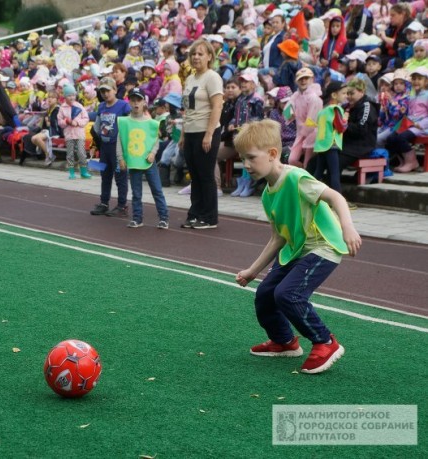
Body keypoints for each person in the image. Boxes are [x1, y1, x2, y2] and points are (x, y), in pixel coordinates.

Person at [233, 119, 362, 375]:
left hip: (322, 246)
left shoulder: (296, 178)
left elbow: (335, 196)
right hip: (296, 249)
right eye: (242, 159)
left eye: (250, 158)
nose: (246, 165)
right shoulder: (269, 193)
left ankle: (326, 342)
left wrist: (348, 227)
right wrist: (252, 271)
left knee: (288, 294)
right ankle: (284, 341)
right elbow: (277, 238)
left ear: (272, 154)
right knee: (265, 295)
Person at [179, 39, 223, 230]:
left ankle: (209, 217)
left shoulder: (212, 77)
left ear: (209, 57)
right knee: (194, 176)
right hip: (190, 131)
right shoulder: (190, 78)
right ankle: (195, 213)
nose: (196, 57)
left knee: (206, 176)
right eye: (193, 54)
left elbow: (217, 106)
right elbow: (187, 110)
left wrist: (209, 134)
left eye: (200, 54)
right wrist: (182, 134)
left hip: (206, 131)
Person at [117, 88, 169, 229]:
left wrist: (153, 153)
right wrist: (120, 158)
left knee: (157, 190)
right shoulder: (124, 122)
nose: (135, 103)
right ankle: (137, 217)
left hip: (148, 161)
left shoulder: (150, 123)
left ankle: (164, 217)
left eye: (138, 100)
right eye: (133, 100)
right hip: (133, 162)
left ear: (144, 102)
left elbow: (155, 140)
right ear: (129, 102)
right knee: (136, 192)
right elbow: (120, 141)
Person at [90, 77, 132, 217]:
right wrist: (95, 145)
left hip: (118, 147)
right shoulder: (101, 106)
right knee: (105, 176)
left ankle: (122, 205)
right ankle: (104, 203)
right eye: (102, 91)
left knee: (120, 176)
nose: (105, 94)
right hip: (105, 147)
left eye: (107, 91)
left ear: (114, 90)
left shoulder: (123, 106)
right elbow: (96, 127)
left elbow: (132, 123)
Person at [312, 81, 348, 193]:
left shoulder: (323, 111)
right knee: (334, 173)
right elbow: (341, 127)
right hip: (331, 145)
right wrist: (346, 118)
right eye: (343, 93)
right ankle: (339, 200)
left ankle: (306, 193)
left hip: (321, 145)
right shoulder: (336, 109)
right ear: (334, 95)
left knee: (318, 172)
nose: (346, 96)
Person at [58, 85, 92, 179]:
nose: (72, 97)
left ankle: (84, 171)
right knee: (70, 153)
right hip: (69, 135)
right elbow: (60, 122)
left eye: (73, 95)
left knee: (81, 152)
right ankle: (71, 172)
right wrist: (66, 121)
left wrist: (77, 122)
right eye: (69, 95)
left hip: (79, 134)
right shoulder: (62, 108)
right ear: (65, 96)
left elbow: (86, 118)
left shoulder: (79, 106)